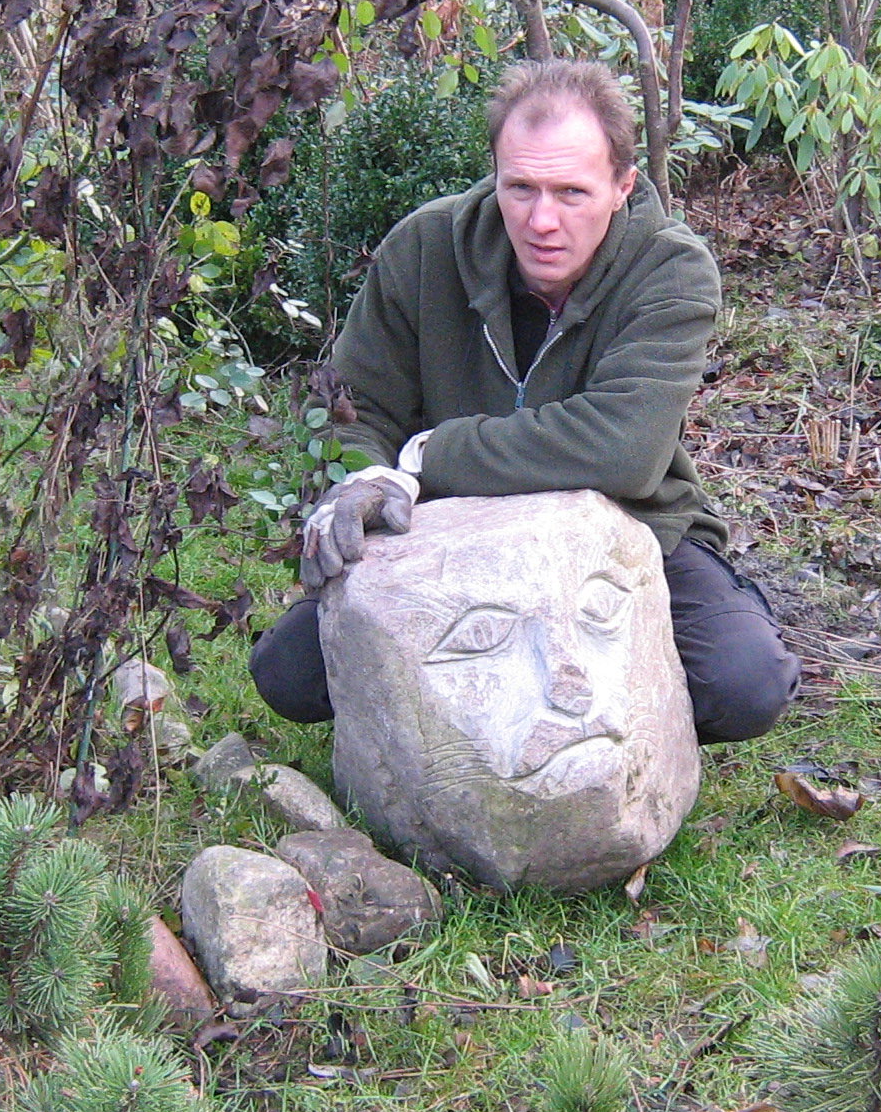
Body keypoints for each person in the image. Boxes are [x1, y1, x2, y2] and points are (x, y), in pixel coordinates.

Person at [249, 58, 801, 744]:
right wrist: (362, 480)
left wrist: (424, 458)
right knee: (289, 674)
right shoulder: (424, 248)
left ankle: (614, 744)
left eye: (571, 193)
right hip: (445, 532)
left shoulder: (669, 268)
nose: (542, 221)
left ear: (623, 186)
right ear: (496, 175)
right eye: (521, 188)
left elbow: (623, 449)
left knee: (745, 684)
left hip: (630, 528)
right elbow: (348, 407)